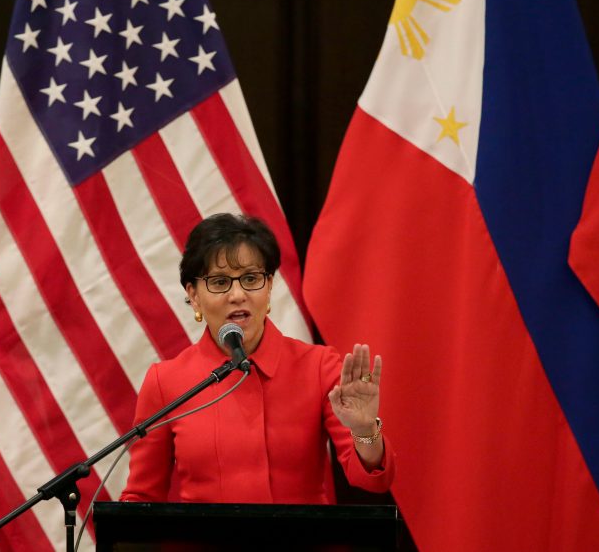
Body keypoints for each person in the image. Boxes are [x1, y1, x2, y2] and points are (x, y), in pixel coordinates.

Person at [120, 213, 395, 503]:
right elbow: (140, 499)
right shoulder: (166, 382)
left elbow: (372, 479)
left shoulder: (317, 367)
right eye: (220, 282)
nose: (237, 294)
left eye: (251, 278)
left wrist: (365, 431)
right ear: (194, 295)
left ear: (270, 286)